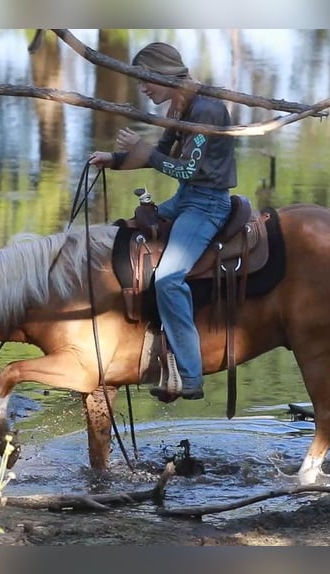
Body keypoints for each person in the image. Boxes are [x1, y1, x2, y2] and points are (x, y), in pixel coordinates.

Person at [89, 41, 237, 401]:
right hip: (187, 198)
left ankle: (190, 373)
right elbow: (164, 154)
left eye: (145, 79)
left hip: (206, 206)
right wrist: (116, 158)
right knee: (123, 236)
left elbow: (184, 167)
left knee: (169, 279)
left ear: (162, 75)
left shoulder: (207, 111)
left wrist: (144, 151)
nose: (142, 87)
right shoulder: (181, 104)